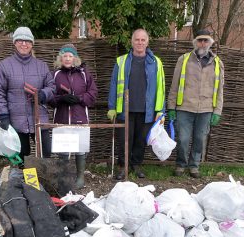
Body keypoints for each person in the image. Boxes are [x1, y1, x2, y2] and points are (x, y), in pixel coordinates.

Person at [107, 28, 165, 180]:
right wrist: (112, 107)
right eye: (137, 40)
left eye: (143, 40)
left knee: (141, 139)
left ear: (147, 42)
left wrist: (160, 110)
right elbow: (114, 84)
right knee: (124, 139)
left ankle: (136, 164)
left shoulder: (156, 63)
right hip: (124, 109)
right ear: (132, 42)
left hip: (147, 109)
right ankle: (122, 166)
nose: (140, 42)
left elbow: (161, 87)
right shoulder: (121, 61)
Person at [0, 26, 55, 164]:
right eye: (20, 40)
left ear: (32, 44)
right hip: (16, 120)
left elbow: (52, 86)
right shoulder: (4, 65)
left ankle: (44, 182)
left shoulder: (41, 66)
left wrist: (43, 95)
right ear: (14, 43)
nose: (24, 44)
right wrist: (3, 115)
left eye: (27, 41)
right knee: (22, 156)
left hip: (39, 118)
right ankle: (24, 182)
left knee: (45, 154)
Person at [167, 29, 224, 178]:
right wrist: (171, 107)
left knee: (200, 139)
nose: (203, 43)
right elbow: (174, 85)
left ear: (210, 43)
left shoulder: (217, 63)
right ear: (195, 42)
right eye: (200, 40)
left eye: (206, 40)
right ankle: (180, 165)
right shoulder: (184, 60)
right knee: (183, 139)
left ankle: (194, 166)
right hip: (185, 107)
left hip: (205, 109)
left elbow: (219, 91)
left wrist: (217, 111)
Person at [50, 43, 98, 189]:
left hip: (80, 116)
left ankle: (80, 177)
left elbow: (93, 92)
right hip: (62, 117)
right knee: (63, 147)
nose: (67, 59)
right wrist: (61, 99)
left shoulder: (84, 74)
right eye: (64, 56)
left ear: (75, 58)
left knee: (80, 147)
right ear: (60, 58)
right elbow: (50, 96)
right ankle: (63, 176)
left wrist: (80, 99)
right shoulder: (55, 75)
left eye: (70, 56)